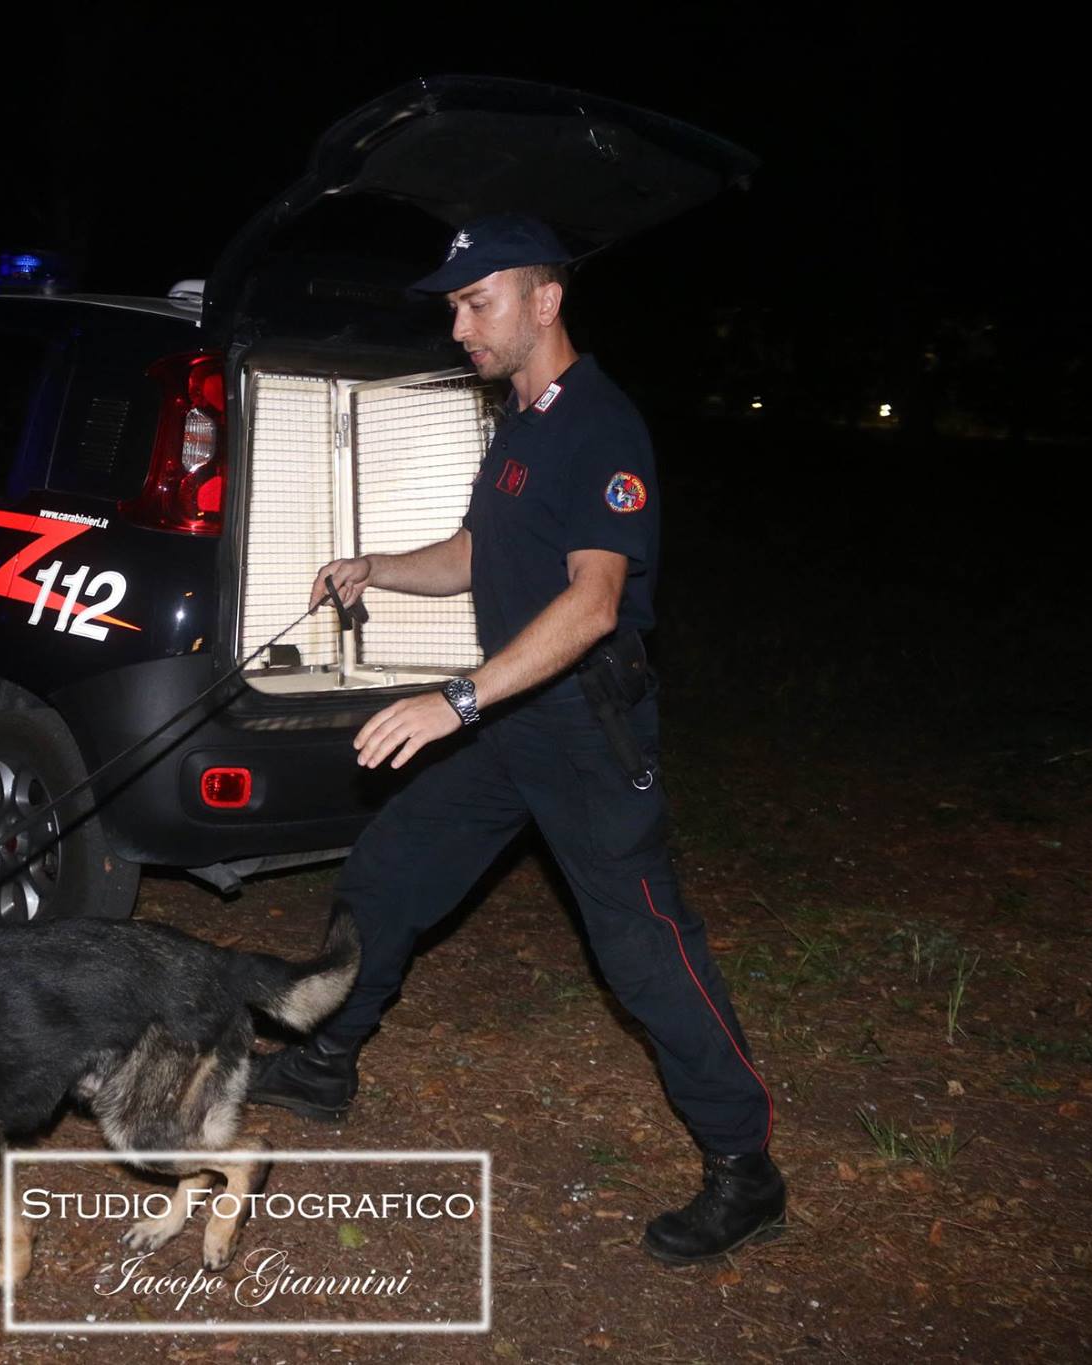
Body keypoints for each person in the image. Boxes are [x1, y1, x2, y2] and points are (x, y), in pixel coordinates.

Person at [247, 213, 786, 1265]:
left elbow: (592, 604)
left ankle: (744, 1169)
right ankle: (323, 1064)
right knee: (389, 869)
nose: (457, 327)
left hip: (582, 733)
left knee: (643, 958)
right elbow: (472, 551)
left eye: (474, 302)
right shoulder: (522, 425)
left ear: (544, 301)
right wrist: (376, 565)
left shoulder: (599, 425)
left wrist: (453, 700)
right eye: (452, 305)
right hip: (509, 725)